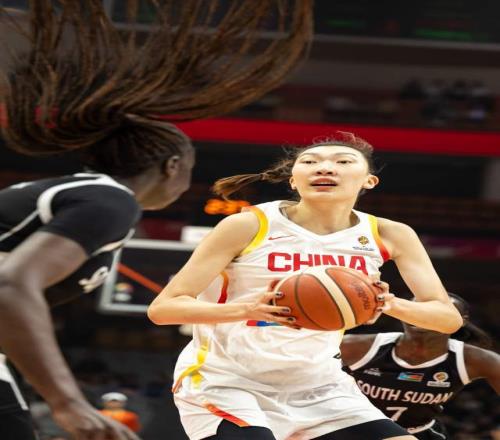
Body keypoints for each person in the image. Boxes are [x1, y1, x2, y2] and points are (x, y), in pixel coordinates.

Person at [0, 1, 313, 439]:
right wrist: (68, 402)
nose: (186, 183)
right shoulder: (109, 200)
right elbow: (11, 285)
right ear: (171, 167)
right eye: (189, 170)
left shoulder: (84, 195)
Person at [147, 132, 463, 440]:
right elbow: (163, 309)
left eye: (343, 161)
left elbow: (447, 319)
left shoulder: (390, 234)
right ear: (293, 181)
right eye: (310, 162)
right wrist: (247, 309)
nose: (325, 168)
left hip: (320, 385)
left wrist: (388, 303)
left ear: (369, 181)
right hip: (227, 381)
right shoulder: (248, 224)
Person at [340, 293, 500, 439]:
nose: (423, 317)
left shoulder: (476, 360)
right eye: (417, 310)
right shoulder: (355, 346)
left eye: (435, 313)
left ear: (460, 321)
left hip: (419, 433)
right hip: (355, 430)